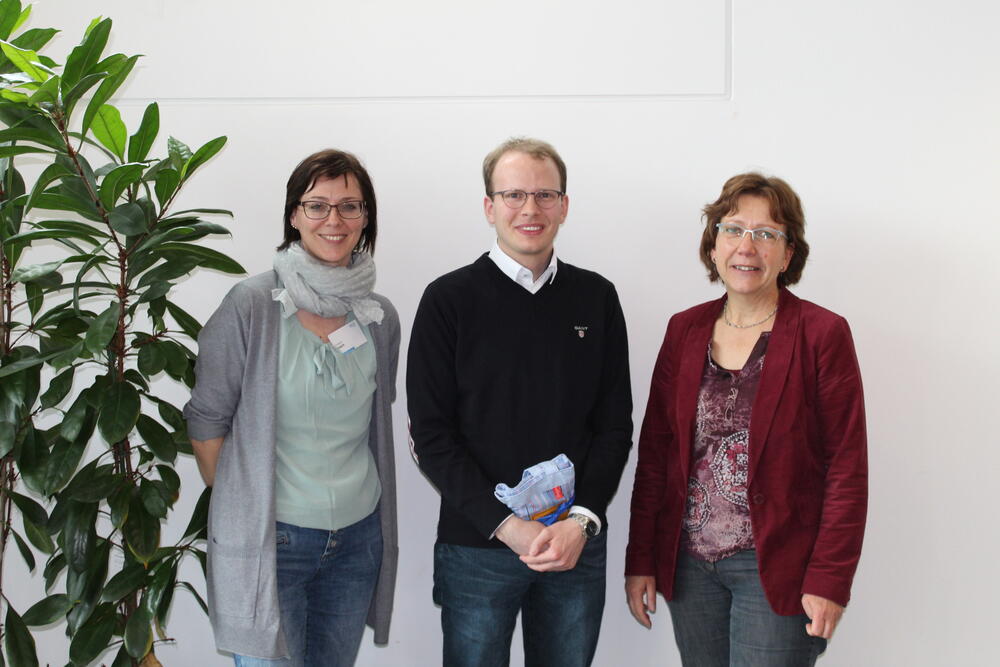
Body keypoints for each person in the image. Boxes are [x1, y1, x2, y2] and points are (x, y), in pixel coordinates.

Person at [407, 137, 633, 666]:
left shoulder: (596, 298)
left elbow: (614, 427)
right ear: (489, 207)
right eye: (512, 195)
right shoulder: (447, 301)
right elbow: (432, 437)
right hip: (477, 549)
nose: (530, 209)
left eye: (545, 195)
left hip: (572, 545)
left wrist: (580, 521)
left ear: (564, 206)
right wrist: (510, 526)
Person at [624, 173, 867, 666]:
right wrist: (642, 558)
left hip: (777, 567)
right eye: (734, 229)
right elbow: (657, 453)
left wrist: (829, 580)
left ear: (788, 253)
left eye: (767, 234)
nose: (747, 247)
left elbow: (846, 468)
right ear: (713, 245)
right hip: (690, 567)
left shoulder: (823, 334)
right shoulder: (684, 329)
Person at [184, 149, 399, 666]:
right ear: (294, 215)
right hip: (273, 541)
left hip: (358, 540)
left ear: (366, 217)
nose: (334, 220)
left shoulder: (379, 316)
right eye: (318, 205)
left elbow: (377, 413)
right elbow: (207, 420)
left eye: (350, 206)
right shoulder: (251, 305)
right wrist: (247, 503)